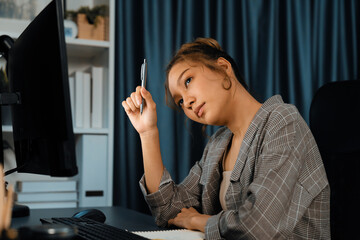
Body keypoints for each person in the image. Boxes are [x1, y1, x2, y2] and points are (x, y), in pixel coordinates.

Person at [122, 38, 330, 239]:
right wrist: (148, 133)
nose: (188, 102)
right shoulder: (218, 144)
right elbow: (168, 211)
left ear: (223, 67)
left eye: (188, 80)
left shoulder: (283, 121)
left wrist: (198, 221)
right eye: (180, 102)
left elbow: (258, 227)